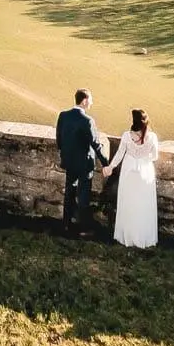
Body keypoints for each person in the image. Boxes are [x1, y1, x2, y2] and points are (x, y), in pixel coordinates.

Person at [104, 108, 161, 249]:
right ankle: (143, 237)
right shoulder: (152, 137)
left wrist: (110, 167)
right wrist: (143, 156)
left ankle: (127, 236)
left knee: (128, 202)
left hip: (129, 171)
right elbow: (155, 157)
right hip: (145, 171)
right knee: (144, 204)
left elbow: (119, 155)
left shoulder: (126, 136)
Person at [55, 88, 107, 236]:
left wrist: (64, 154)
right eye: (90, 99)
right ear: (84, 101)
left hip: (69, 161)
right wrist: (106, 163)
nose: (91, 102)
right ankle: (84, 228)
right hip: (84, 164)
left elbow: (59, 138)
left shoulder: (63, 116)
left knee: (69, 193)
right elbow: (96, 144)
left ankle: (66, 224)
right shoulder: (87, 121)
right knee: (83, 196)